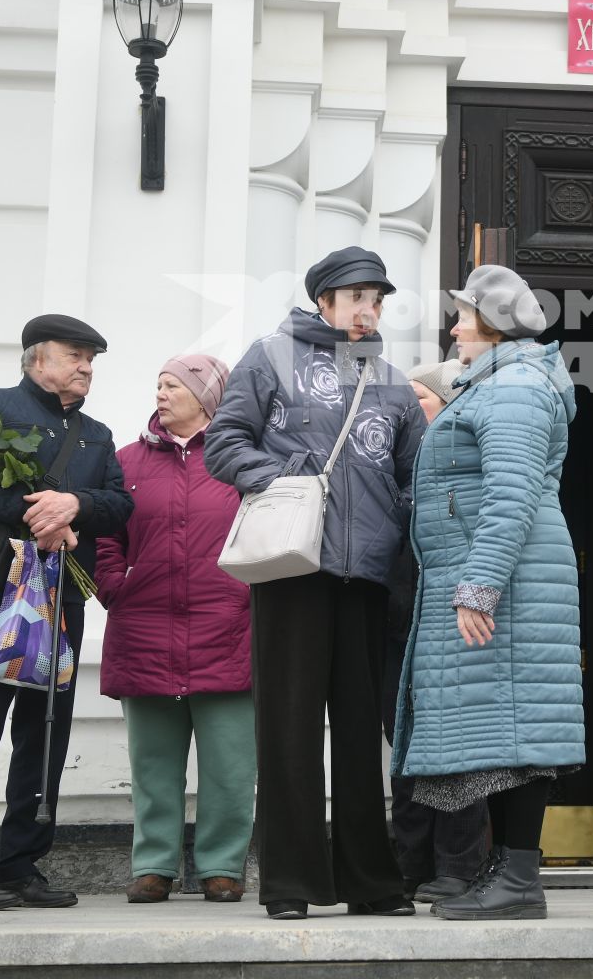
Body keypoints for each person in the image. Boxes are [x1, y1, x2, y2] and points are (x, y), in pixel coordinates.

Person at [205, 247, 427, 920]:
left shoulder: (391, 380)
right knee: (290, 728)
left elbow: (413, 478)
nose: (367, 310)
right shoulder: (270, 357)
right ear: (324, 300)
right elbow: (224, 440)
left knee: (361, 731)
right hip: (294, 568)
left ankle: (370, 881)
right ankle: (291, 883)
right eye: (355, 296)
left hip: (366, 576)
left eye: (377, 299)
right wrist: (282, 485)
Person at [392, 264, 584, 922]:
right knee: (498, 733)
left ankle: (520, 881)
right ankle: (505, 873)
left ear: (493, 325)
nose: (453, 327)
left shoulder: (518, 387)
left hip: (513, 582)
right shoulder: (499, 383)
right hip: (501, 578)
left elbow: (511, 492)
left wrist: (480, 586)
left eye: (463, 316)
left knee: (517, 736)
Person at [0, 314, 134, 911]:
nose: (87, 366)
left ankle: (19, 865)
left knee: (43, 739)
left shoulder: (97, 434)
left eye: (92, 358)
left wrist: (76, 503)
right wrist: (35, 510)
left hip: (60, 598)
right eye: (75, 355)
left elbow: (119, 506)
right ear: (37, 359)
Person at [96, 354, 253, 905]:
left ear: (208, 396)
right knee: (153, 765)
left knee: (231, 767)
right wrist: (115, 583)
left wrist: (249, 596)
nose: (161, 394)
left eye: (174, 386)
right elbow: (105, 534)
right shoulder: (126, 460)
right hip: (144, 629)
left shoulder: (239, 459)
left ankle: (222, 866)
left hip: (228, 630)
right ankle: (154, 865)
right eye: (158, 385)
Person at [384, 358, 491, 903]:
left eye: (417, 399)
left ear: (449, 404)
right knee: (405, 751)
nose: (404, 410)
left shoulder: (468, 462)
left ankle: (459, 866)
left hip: (455, 625)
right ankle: (410, 864)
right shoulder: (393, 462)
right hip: (398, 632)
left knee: (458, 752)